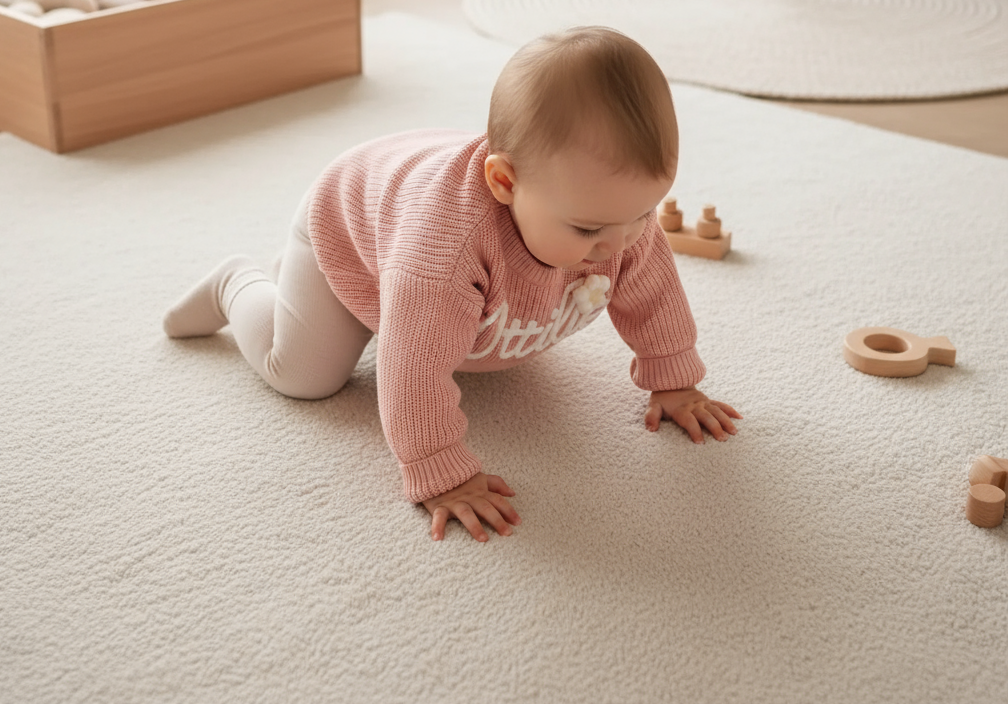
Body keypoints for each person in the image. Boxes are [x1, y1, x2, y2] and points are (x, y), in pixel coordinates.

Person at [163, 26, 742, 542]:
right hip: (352, 230)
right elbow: (411, 367)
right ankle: (238, 283)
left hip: (446, 216)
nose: (622, 243)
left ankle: (292, 285)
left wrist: (674, 379)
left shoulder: (613, 216)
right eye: (590, 228)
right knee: (305, 376)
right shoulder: (440, 255)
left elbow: (654, 295)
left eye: (643, 213)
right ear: (505, 182)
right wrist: (438, 466)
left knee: (492, 322)